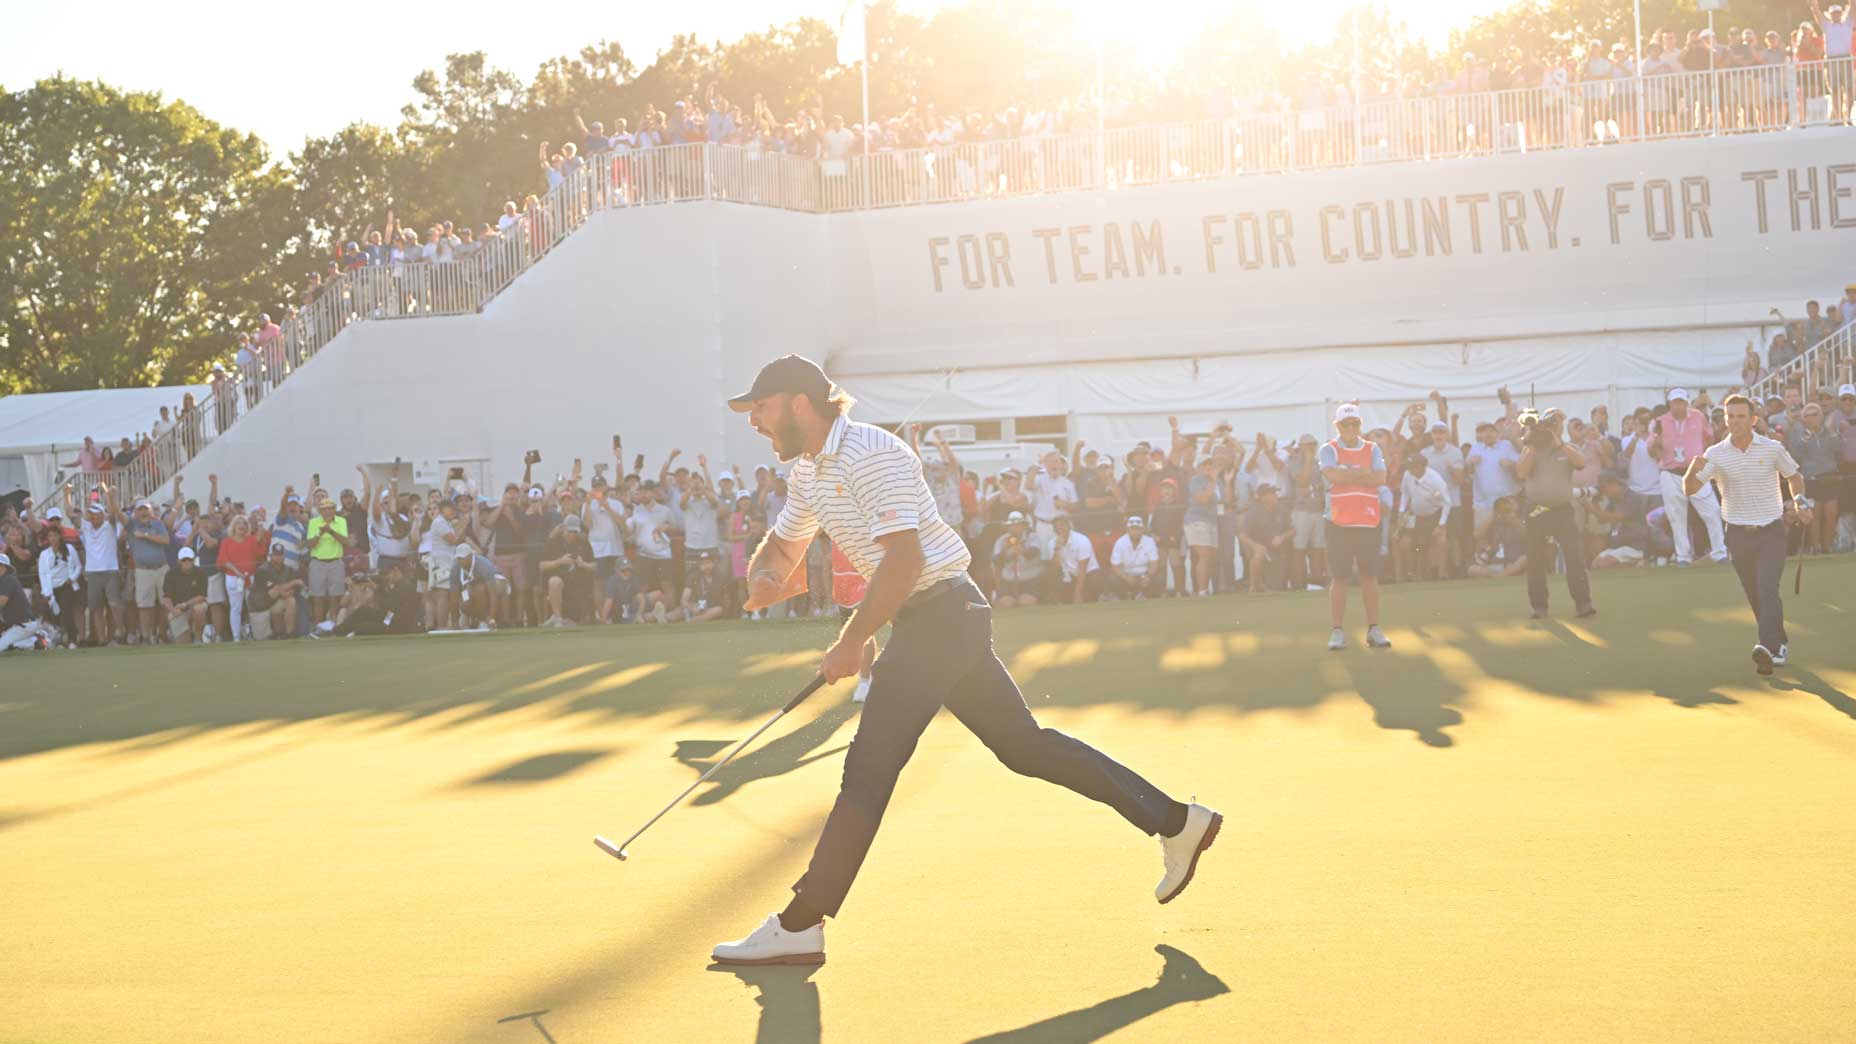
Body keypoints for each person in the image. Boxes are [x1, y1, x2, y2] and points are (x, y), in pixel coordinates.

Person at [712, 355, 1219, 967]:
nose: (756, 422)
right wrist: (766, 574)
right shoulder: (809, 470)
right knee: (1024, 747)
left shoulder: (872, 453)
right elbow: (787, 541)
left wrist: (853, 639)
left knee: (869, 770)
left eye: (761, 409)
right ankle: (1175, 821)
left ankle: (800, 923)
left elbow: (904, 561)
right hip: (937, 620)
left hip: (941, 615)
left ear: (798, 403)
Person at [1683, 394, 1811, 675]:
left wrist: (1799, 501)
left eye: (1741, 416)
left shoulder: (1771, 448)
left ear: (1753, 420)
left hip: (1771, 530)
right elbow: (1690, 489)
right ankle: (1778, 642)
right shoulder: (1715, 453)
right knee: (1754, 593)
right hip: (1738, 533)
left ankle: (1767, 647)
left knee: (1767, 588)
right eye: (1730, 416)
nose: (1734, 422)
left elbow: (1794, 476)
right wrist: (1691, 471)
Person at [1319, 404, 1392, 651]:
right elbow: (1333, 476)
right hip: (1339, 521)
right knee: (1339, 577)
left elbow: (1380, 478)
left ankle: (1374, 628)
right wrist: (1360, 473)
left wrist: (1347, 472)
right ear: (1338, 426)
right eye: (1346, 424)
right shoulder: (1328, 449)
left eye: (1355, 424)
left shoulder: (1372, 448)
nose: (1351, 428)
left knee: (1369, 576)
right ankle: (1337, 631)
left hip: (1368, 520)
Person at [1513, 409, 1597, 619]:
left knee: (1574, 557)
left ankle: (1583, 604)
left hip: (1562, 510)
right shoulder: (1530, 448)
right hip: (1536, 510)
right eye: (1550, 424)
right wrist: (1532, 443)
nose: (1553, 428)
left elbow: (1580, 463)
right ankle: (1539, 607)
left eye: (1556, 424)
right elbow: (1521, 473)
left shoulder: (1567, 448)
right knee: (1535, 560)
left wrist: (1557, 442)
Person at [1653, 389, 1728, 565]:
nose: (1678, 406)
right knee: (1676, 515)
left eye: (1681, 402)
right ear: (1669, 404)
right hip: (1670, 472)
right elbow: (1652, 448)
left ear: (1687, 403)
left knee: (1712, 511)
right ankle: (1683, 556)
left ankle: (1719, 553)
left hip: (1694, 470)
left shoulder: (1698, 417)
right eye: (1674, 402)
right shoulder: (1660, 421)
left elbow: (1709, 438)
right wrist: (1657, 444)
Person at [830, 542, 879, 703]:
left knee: (863, 630)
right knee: (847, 628)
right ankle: (867, 677)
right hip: (842, 579)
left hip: (862, 575)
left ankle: (864, 681)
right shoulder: (832, 519)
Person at [304, 497, 352, 626]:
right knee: (317, 597)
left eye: (330, 508)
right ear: (320, 510)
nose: (328, 512)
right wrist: (320, 533)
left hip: (336, 562)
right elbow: (310, 544)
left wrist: (330, 531)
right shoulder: (314, 522)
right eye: (324, 509)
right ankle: (319, 627)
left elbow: (345, 541)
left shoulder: (341, 521)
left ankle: (332, 626)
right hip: (317, 562)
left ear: (334, 510)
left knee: (335, 597)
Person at [1047, 513, 1104, 604]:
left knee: (1096, 579)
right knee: (1053, 577)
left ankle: (1094, 598)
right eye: (1056, 526)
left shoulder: (1082, 540)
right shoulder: (1052, 543)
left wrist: (1078, 592)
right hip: (1069, 575)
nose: (1060, 528)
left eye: (1062, 525)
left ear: (1069, 526)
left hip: (1087, 573)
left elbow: (1082, 569)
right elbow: (1055, 568)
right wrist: (1057, 549)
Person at [160, 547, 210, 643]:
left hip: (193, 607)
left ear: (193, 559)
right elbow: (166, 598)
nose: (187, 562)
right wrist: (173, 610)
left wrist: (185, 604)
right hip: (178, 611)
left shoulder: (201, 573)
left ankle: (198, 639)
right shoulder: (171, 574)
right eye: (184, 560)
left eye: (189, 560)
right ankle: (182, 634)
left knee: (199, 609)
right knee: (183, 643)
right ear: (179, 561)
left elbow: (202, 596)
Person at [1108, 515, 1163, 598]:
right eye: (1132, 529)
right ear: (1127, 530)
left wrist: (1148, 576)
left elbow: (1154, 563)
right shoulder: (1120, 542)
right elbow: (1114, 566)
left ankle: (1148, 596)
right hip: (1126, 575)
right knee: (1113, 579)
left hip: (1144, 575)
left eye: (1137, 529)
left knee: (1159, 579)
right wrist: (1126, 577)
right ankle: (1124, 597)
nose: (1135, 532)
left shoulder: (1149, 541)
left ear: (1142, 530)